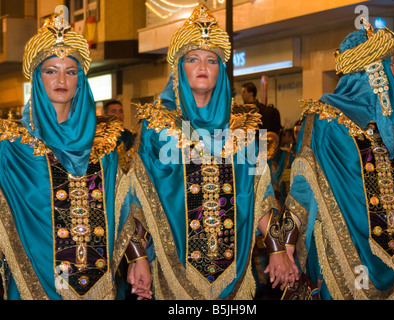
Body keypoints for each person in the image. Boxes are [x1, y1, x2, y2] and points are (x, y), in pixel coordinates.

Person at [122, 4, 299, 300]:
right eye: (193, 59)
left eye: (211, 60)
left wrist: (278, 248)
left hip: (236, 266)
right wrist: (137, 257)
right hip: (174, 268)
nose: (202, 67)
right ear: (179, 67)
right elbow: (139, 198)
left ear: (222, 69)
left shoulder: (243, 126)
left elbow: (261, 194)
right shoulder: (158, 126)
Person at [0, 12, 148, 300]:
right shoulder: (12, 145)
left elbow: (123, 206)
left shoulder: (105, 144)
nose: (61, 79)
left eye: (71, 70)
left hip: (98, 282)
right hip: (33, 280)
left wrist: (137, 257)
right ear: (36, 76)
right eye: (51, 70)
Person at [282, 18, 394, 299]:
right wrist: (282, 249)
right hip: (342, 257)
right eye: (390, 63)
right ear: (372, 72)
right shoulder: (326, 123)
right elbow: (301, 193)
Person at [103, 100, 135, 173]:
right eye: (113, 111)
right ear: (105, 115)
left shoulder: (128, 135)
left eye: (121, 111)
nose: (118, 115)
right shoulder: (100, 137)